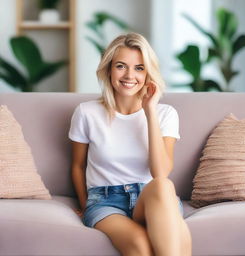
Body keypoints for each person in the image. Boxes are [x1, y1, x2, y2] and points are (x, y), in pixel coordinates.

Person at [69, 32, 192, 256]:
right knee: (141, 246)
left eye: (139, 68)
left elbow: (160, 172)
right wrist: (85, 203)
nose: (129, 75)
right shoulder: (86, 113)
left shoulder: (165, 114)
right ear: (108, 69)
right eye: (121, 66)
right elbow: (78, 166)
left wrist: (149, 111)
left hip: (151, 198)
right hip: (106, 201)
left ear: (148, 73)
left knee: (163, 185)